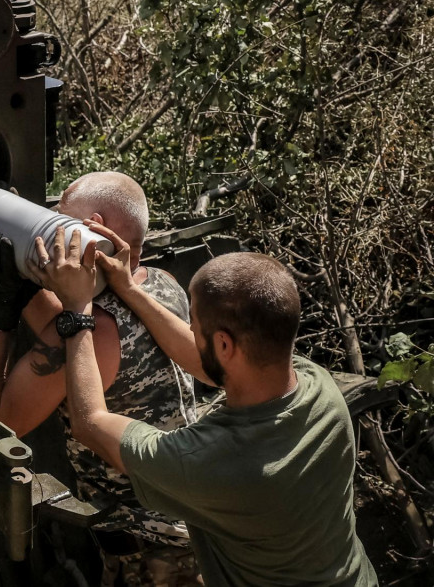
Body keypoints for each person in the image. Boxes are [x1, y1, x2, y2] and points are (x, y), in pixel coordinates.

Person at [30, 227, 378, 586]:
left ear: (225, 345)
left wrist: (77, 309)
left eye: (192, 324)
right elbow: (206, 364)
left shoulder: (211, 462)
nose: (190, 331)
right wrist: (130, 289)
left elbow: (90, 422)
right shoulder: (317, 386)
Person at [0, 172, 200, 585]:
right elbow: (60, 325)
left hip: (152, 559)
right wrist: (23, 277)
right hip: (187, 530)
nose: (51, 233)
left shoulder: (96, 332)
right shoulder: (163, 286)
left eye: (59, 224)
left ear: (91, 230)